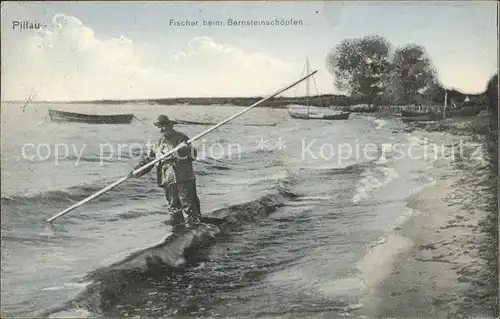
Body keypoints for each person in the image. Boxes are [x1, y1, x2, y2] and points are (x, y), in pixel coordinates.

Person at [128, 115, 202, 228]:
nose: (161, 129)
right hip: (168, 178)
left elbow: (193, 155)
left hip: (184, 176)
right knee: (173, 206)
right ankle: (177, 231)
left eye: (164, 126)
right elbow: (148, 161)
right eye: (159, 127)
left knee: (189, 204)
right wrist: (136, 172)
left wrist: (184, 149)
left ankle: (196, 231)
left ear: (170, 125)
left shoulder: (181, 138)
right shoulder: (157, 143)